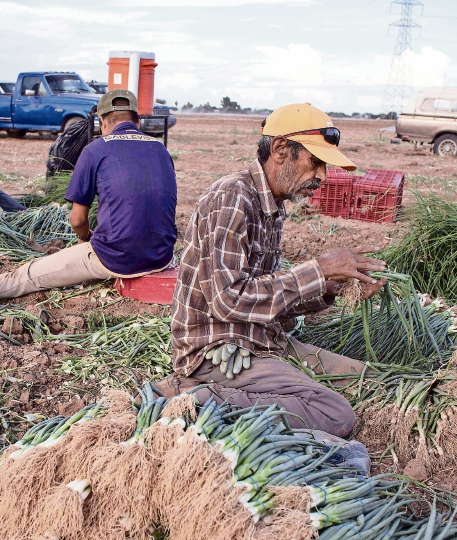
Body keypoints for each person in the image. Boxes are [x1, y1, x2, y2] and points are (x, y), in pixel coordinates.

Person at [164, 103, 387, 472]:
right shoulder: (232, 198)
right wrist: (318, 266)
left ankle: (250, 393)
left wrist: (328, 288)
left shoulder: (271, 206)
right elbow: (229, 300)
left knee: (365, 377)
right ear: (281, 149)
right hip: (221, 349)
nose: (323, 177)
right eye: (315, 162)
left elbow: (264, 296)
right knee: (335, 414)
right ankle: (193, 395)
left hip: (262, 339)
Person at [0, 90, 177, 300]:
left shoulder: (95, 150)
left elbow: (77, 219)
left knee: (29, 276)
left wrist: (85, 240)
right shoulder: (161, 150)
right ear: (138, 122)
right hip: (162, 256)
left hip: (116, 258)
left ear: (103, 122)